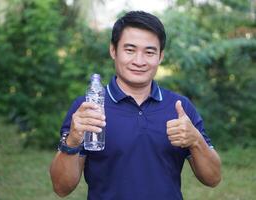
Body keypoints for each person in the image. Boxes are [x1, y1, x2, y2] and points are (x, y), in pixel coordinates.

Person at [50, 11, 221, 200]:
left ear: (161, 56)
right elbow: (61, 188)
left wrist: (196, 140)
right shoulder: (88, 108)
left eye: (149, 52)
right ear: (113, 50)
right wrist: (73, 140)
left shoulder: (179, 108)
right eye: (130, 50)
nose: (139, 61)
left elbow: (213, 178)